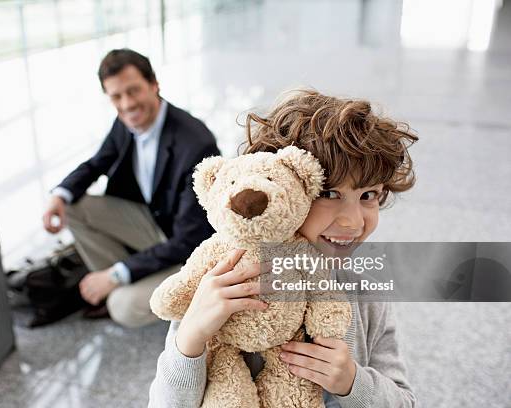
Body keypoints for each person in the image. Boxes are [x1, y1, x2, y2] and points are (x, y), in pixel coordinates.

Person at [148, 90, 419, 407]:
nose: (353, 222)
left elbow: (405, 401)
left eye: (368, 196)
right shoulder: (222, 276)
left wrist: (352, 382)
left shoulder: (365, 290)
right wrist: (190, 338)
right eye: (330, 194)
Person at [42, 48, 220, 328]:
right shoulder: (126, 122)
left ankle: (168, 291)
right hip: (154, 222)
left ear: (154, 85)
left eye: (133, 91)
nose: (126, 104)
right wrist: (59, 194)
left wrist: (116, 274)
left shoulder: (196, 143)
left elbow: (189, 241)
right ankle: (131, 278)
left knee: (122, 308)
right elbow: (96, 163)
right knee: (72, 206)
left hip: (189, 248)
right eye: (116, 96)